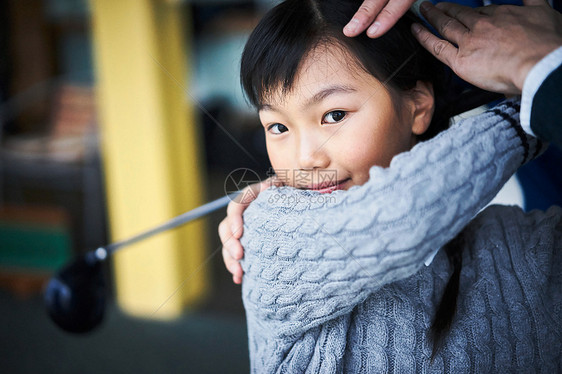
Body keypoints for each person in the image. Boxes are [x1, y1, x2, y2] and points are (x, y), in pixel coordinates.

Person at [217, 0, 561, 372]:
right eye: (278, 127)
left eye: (334, 115)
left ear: (417, 106)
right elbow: (399, 221)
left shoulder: (523, 247)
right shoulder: (268, 233)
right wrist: (532, 98)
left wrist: (547, 77)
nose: (305, 159)